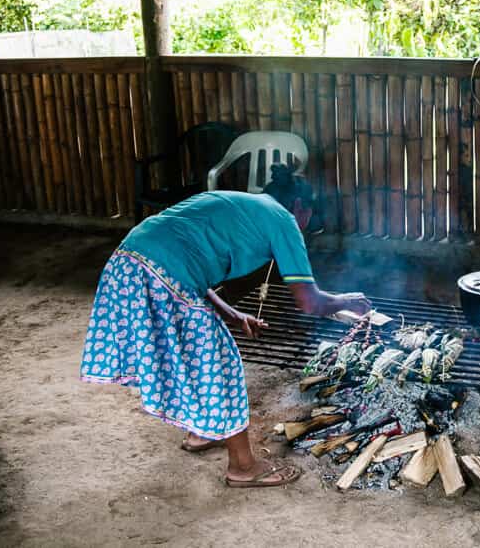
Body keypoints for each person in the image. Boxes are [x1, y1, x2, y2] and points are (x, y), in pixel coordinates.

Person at [80, 164, 371, 487]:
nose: (303, 227)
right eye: (307, 219)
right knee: (221, 363)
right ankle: (243, 467)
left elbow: (192, 265)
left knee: (196, 353)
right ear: (300, 207)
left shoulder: (237, 203)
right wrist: (346, 300)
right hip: (159, 274)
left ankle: (202, 433)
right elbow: (309, 302)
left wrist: (233, 314)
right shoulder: (283, 219)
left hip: (127, 264)